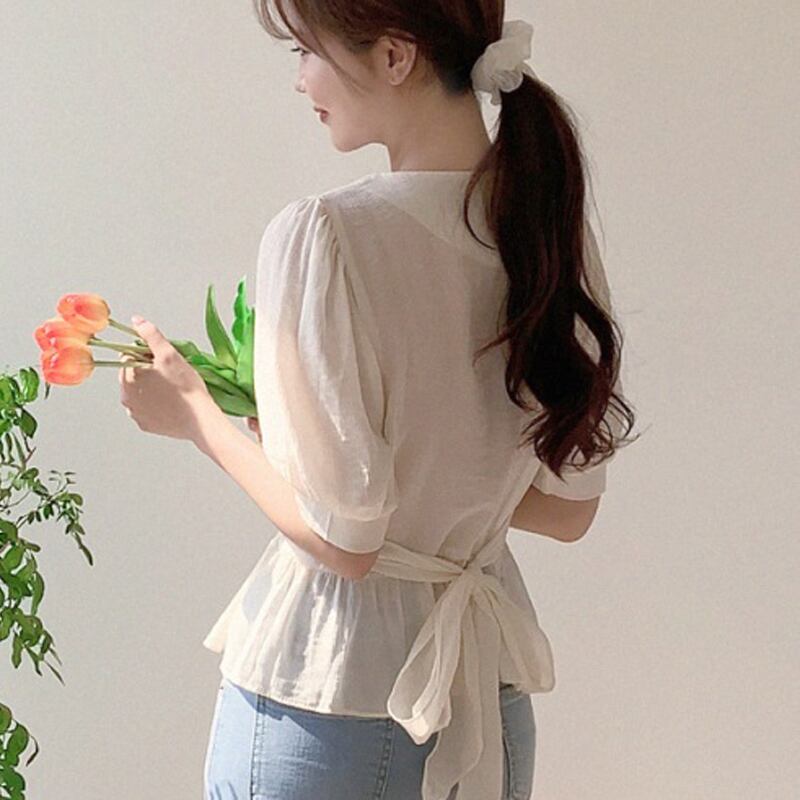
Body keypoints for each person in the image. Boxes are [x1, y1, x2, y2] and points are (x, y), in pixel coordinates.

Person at [202, 3, 637, 800]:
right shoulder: (546, 231)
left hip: (332, 697)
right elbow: (568, 510)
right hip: (487, 699)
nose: (301, 81)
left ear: (395, 57)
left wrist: (194, 417)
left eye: (306, 52)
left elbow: (346, 545)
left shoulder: (326, 233)